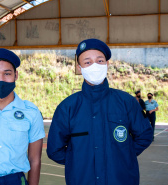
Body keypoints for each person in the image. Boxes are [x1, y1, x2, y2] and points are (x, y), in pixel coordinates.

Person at [47, 38, 153, 185]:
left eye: (100, 61)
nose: (94, 66)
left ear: (107, 64)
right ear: (79, 68)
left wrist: (123, 155)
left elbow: (145, 135)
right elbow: (54, 149)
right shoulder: (67, 107)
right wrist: (78, 161)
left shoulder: (126, 102)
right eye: (88, 62)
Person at [0, 48, 45, 185]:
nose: (1, 79)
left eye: (7, 73)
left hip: (15, 181)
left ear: (16, 75)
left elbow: (35, 160)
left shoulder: (31, 112)